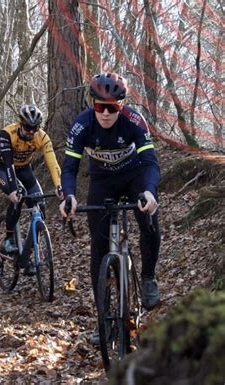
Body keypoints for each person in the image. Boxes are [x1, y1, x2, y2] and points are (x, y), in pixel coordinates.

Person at [58, 72, 161, 344]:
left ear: (122, 105)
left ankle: (148, 276)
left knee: (149, 220)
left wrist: (149, 192)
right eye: (100, 106)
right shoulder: (82, 125)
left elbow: (150, 162)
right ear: (92, 104)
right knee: (98, 248)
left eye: (113, 106)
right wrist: (68, 196)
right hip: (101, 181)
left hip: (133, 176)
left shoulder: (134, 121)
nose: (105, 113)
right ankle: (103, 319)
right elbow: (69, 167)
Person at [0, 104, 63, 275]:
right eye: (27, 127)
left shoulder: (42, 137)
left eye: (35, 128)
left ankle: (27, 255)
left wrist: (59, 186)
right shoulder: (7, 133)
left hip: (24, 169)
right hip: (4, 168)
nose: (31, 132)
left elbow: (52, 163)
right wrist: (12, 190)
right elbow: (9, 164)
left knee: (40, 204)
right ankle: (8, 239)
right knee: (19, 195)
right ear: (20, 123)